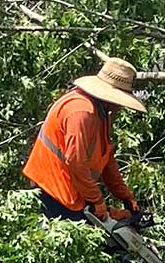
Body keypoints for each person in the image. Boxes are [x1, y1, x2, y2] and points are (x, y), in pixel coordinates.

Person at [22, 54, 147, 227]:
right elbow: (76, 161)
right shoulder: (81, 112)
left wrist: (125, 196)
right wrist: (96, 201)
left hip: (73, 191)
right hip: (53, 191)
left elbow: (107, 160)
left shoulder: (101, 114)